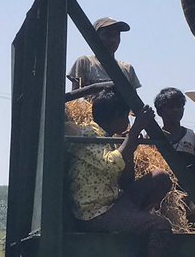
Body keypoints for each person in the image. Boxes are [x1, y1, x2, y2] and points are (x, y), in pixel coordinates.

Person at [67, 89, 171, 257]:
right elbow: (111, 164)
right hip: (96, 213)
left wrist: (130, 148)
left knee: (161, 177)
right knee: (160, 226)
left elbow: (126, 181)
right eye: (126, 116)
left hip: (114, 203)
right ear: (116, 115)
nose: (129, 121)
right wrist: (134, 131)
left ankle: (135, 221)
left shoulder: (109, 139)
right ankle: (139, 224)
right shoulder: (89, 136)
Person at [153, 88, 195, 219]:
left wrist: (188, 195)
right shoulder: (152, 138)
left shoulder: (194, 138)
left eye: (180, 106)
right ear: (160, 111)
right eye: (171, 107)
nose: (177, 110)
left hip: (187, 197)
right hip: (158, 198)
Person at [68, 17, 142, 92]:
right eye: (107, 34)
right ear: (96, 37)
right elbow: (75, 99)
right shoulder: (85, 62)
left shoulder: (127, 69)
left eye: (116, 35)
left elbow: (133, 100)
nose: (113, 40)